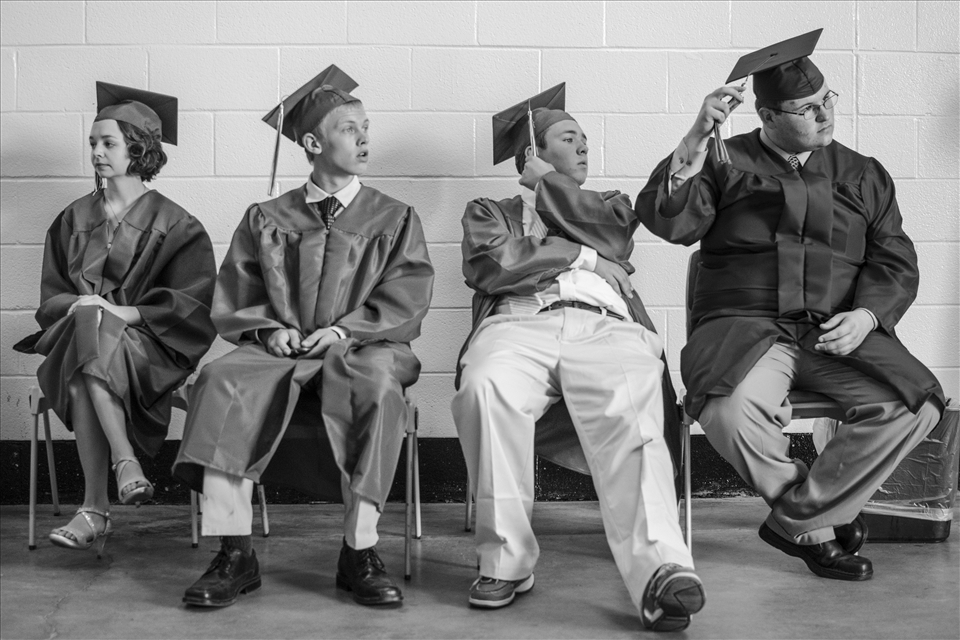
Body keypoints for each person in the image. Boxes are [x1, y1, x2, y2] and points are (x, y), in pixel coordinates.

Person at [635, 34, 945, 582]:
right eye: (808, 109)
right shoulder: (724, 160)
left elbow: (895, 258)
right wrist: (693, 142)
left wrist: (867, 316)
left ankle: (801, 519)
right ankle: (821, 517)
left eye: (829, 99)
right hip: (745, 329)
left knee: (912, 404)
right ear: (768, 116)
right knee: (729, 413)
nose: (825, 114)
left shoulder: (863, 172)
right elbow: (669, 222)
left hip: (835, 330)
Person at [173, 65, 434, 609]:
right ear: (313, 143)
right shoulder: (267, 216)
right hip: (280, 350)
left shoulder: (393, 215)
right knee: (220, 380)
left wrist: (342, 330)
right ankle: (234, 552)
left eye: (366, 126)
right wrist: (270, 330)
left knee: (381, 390)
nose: (364, 137)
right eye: (348, 128)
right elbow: (238, 290)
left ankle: (359, 551)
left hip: (364, 347)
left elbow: (406, 296)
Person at [452, 84, 704, 633]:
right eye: (569, 138)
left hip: (603, 326)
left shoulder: (609, 203)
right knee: (485, 386)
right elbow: (493, 265)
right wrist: (585, 257)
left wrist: (550, 189)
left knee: (635, 399)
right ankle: (506, 562)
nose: (585, 145)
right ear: (532, 153)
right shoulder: (490, 210)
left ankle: (661, 569)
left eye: (586, 138)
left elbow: (614, 233)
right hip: (518, 323)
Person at [14, 82, 217, 556]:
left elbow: (191, 305)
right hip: (78, 338)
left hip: (148, 348)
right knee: (87, 327)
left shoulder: (177, 223)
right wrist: (86, 307)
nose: (97, 153)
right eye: (92, 143)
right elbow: (51, 299)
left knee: (91, 347)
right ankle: (126, 463)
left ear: (139, 148)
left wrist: (114, 310)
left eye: (109, 143)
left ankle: (94, 509)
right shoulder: (73, 218)